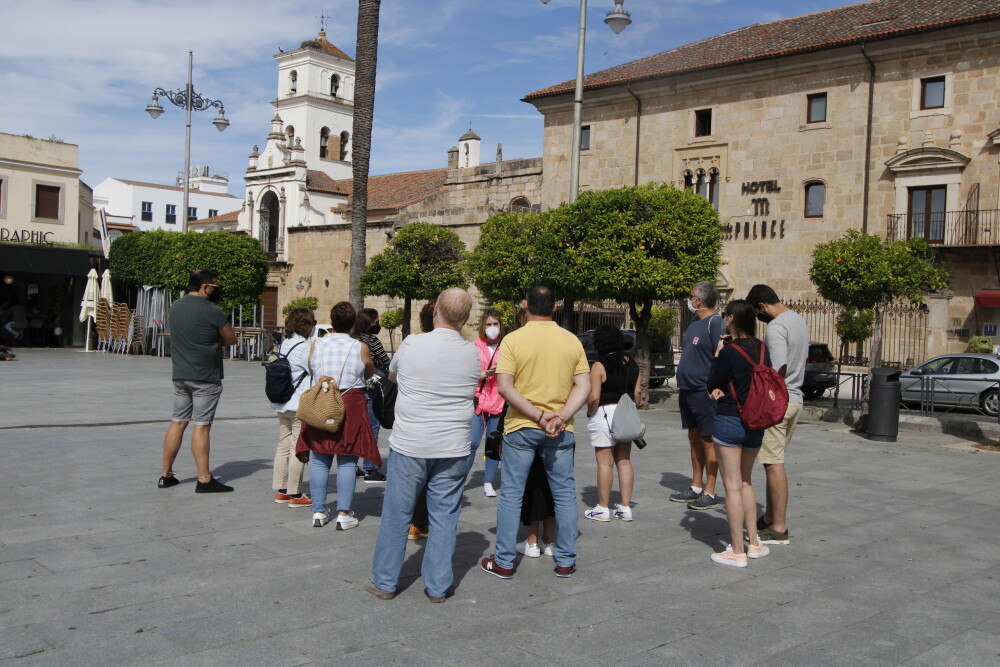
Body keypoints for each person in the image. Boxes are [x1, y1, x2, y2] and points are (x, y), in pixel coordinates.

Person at [366, 288, 481, 602]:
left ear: (435, 313)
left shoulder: (412, 343)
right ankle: (438, 587)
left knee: (397, 515)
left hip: (411, 443)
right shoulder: (472, 352)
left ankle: (385, 582)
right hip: (454, 446)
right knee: (444, 516)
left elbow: (391, 376)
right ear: (466, 318)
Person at [481, 285, 591, 580]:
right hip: (561, 428)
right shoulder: (572, 341)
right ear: (555, 307)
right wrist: (561, 416)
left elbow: (505, 386)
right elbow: (584, 385)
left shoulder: (513, 340)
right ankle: (565, 559)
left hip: (522, 426)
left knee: (512, 494)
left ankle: (503, 561)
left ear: (525, 305)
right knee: (565, 493)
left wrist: (538, 416)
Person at [295, 301, 378, 529]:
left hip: (321, 401)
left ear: (331, 322)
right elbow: (368, 370)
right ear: (353, 323)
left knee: (320, 459)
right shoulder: (359, 346)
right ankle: (343, 512)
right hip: (350, 403)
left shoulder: (317, 345)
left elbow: (313, 371)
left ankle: (319, 511)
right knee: (347, 459)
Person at [705, 300, 772, 567]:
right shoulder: (763, 348)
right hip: (757, 420)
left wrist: (720, 350)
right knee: (746, 482)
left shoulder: (730, 350)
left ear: (731, 318)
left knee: (731, 486)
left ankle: (736, 550)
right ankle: (754, 542)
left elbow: (713, 382)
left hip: (731, 418)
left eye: (725, 316)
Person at [158, 270, 237, 492]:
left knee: (177, 422)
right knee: (201, 426)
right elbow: (231, 339)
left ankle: (166, 475)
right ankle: (204, 479)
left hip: (180, 374)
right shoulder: (212, 310)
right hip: (205, 376)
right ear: (204, 287)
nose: (215, 291)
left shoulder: (175, 307)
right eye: (214, 287)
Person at [746, 284, 808, 545]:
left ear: (761, 306)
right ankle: (770, 517)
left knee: (773, 464)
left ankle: (779, 528)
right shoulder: (797, 319)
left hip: (780, 402)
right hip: (795, 399)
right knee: (774, 461)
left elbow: (778, 368)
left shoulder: (776, 327)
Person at [671, 281, 725, 510]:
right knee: (694, 439)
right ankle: (695, 486)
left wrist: (715, 385)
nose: (689, 299)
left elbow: (721, 355)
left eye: (691, 296)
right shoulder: (694, 321)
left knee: (707, 441)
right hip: (688, 390)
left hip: (705, 393)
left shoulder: (715, 322)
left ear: (700, 300)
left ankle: (710, 490)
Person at [584, 325, 641, 522]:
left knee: (605, 462)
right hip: (626, 413)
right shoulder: (632, 363)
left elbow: (594, 397)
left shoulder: (599, 365)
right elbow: (638, 394)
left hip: (605, 413)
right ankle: (625, 507)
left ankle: (602, 508)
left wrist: (590, 413)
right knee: (624, 461)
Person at [269, 307, 315, 508]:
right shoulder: (305, 346)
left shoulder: (285, 343)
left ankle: (281, 490)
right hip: (298, 403)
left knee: (283, 444)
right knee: (298, 447)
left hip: (282, 401)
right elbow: (313, 369)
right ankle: (295, 493)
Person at [469, 308, 506, 497]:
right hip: (479, 401)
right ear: (483, 326)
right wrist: (486, 374)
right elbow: (468, 374)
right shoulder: (474, 347)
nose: (493, 328)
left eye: (496, 324)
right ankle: (460, 480)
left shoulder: (507, 346)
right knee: (472, 441)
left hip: (499, 402)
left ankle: (489, 481)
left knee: (493, 443)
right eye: (489, 324)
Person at [354, 307, 389, 483]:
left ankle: (352, 466)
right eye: (376, 321)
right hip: (370, 388)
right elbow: (386, 362)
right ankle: (370, 468)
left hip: (353, 389)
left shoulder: (352, 339)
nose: (378, 325)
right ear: (369, 323)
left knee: (354, 428)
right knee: (372, 426)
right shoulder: (371, 341)